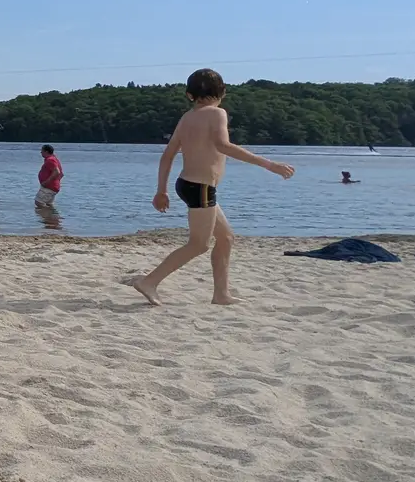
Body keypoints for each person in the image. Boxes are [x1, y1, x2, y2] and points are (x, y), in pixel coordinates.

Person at [126, 69, 295, 306]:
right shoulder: (217, 113)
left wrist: (161, 190)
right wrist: (269, 164)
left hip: (188, 184)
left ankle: (221, 294)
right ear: (222, 92)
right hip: (200, 187)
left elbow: (167, 155)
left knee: (225, 238)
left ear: (189, 95)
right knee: (199, 244)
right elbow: (223, 145)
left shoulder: (187, 118)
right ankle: (149, 282)